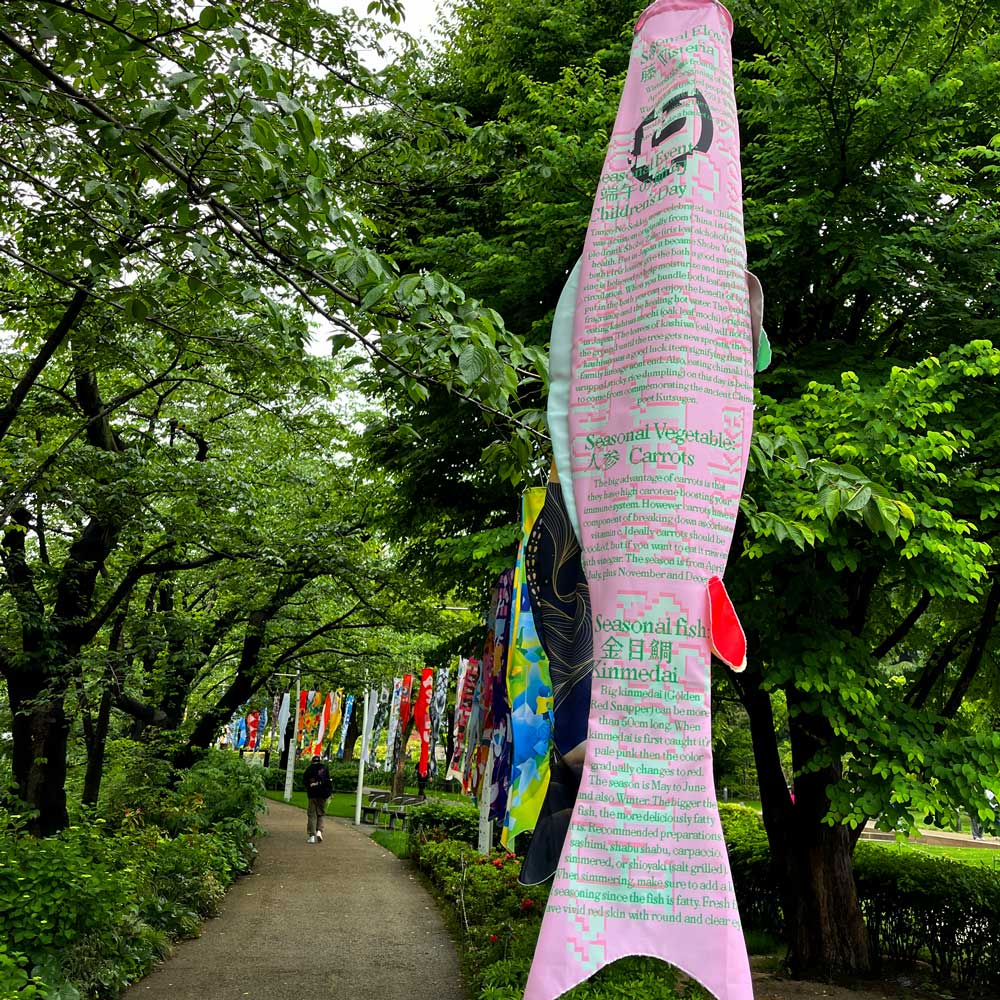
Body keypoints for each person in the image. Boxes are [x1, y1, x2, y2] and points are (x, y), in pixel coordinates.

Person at [303, 754, 332, 843]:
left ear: (312, 761)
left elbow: (305, 781)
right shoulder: (324, 768)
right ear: (319, 761)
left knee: (312, 814)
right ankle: (319, 831)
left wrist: (310, 785)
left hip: (312, 795)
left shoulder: (309, 769)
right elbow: (328, 781)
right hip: (322, 795)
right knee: (321, 813)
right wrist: (330, 793)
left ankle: (312, 836)